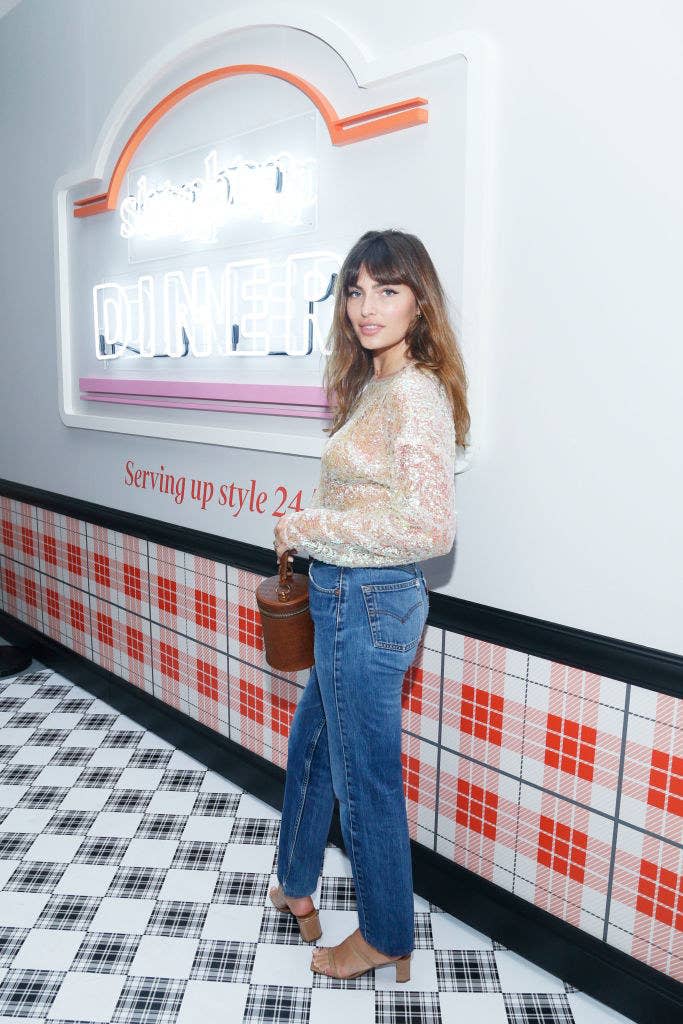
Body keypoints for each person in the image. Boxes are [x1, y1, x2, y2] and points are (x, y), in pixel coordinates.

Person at [269, 228, 470, 982]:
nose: (365, 306)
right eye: (355, 290)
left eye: (387, 290)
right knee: (314, 750)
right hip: (345, 597)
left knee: (364, 776)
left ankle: (385, 933)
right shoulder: (376, 387)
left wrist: (308, 526)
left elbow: (429, 526)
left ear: (419, 305)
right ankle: (294, 884)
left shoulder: (413, 393)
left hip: (368, 602)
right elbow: (374, 503)